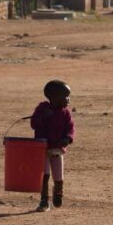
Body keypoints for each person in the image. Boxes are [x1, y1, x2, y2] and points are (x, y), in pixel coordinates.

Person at [30, 80, 74, 212]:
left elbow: (71, 128)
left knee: (58, 176)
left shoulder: (65, 113)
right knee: (44, 175)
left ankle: (58, 193)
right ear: (54, 97)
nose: (68, 99)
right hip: (42, 149)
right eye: (66, 96)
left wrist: (68, 138)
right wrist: (44, 117)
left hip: (57, 149)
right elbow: (34, 124)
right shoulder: (42, 108)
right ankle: (44, 201)